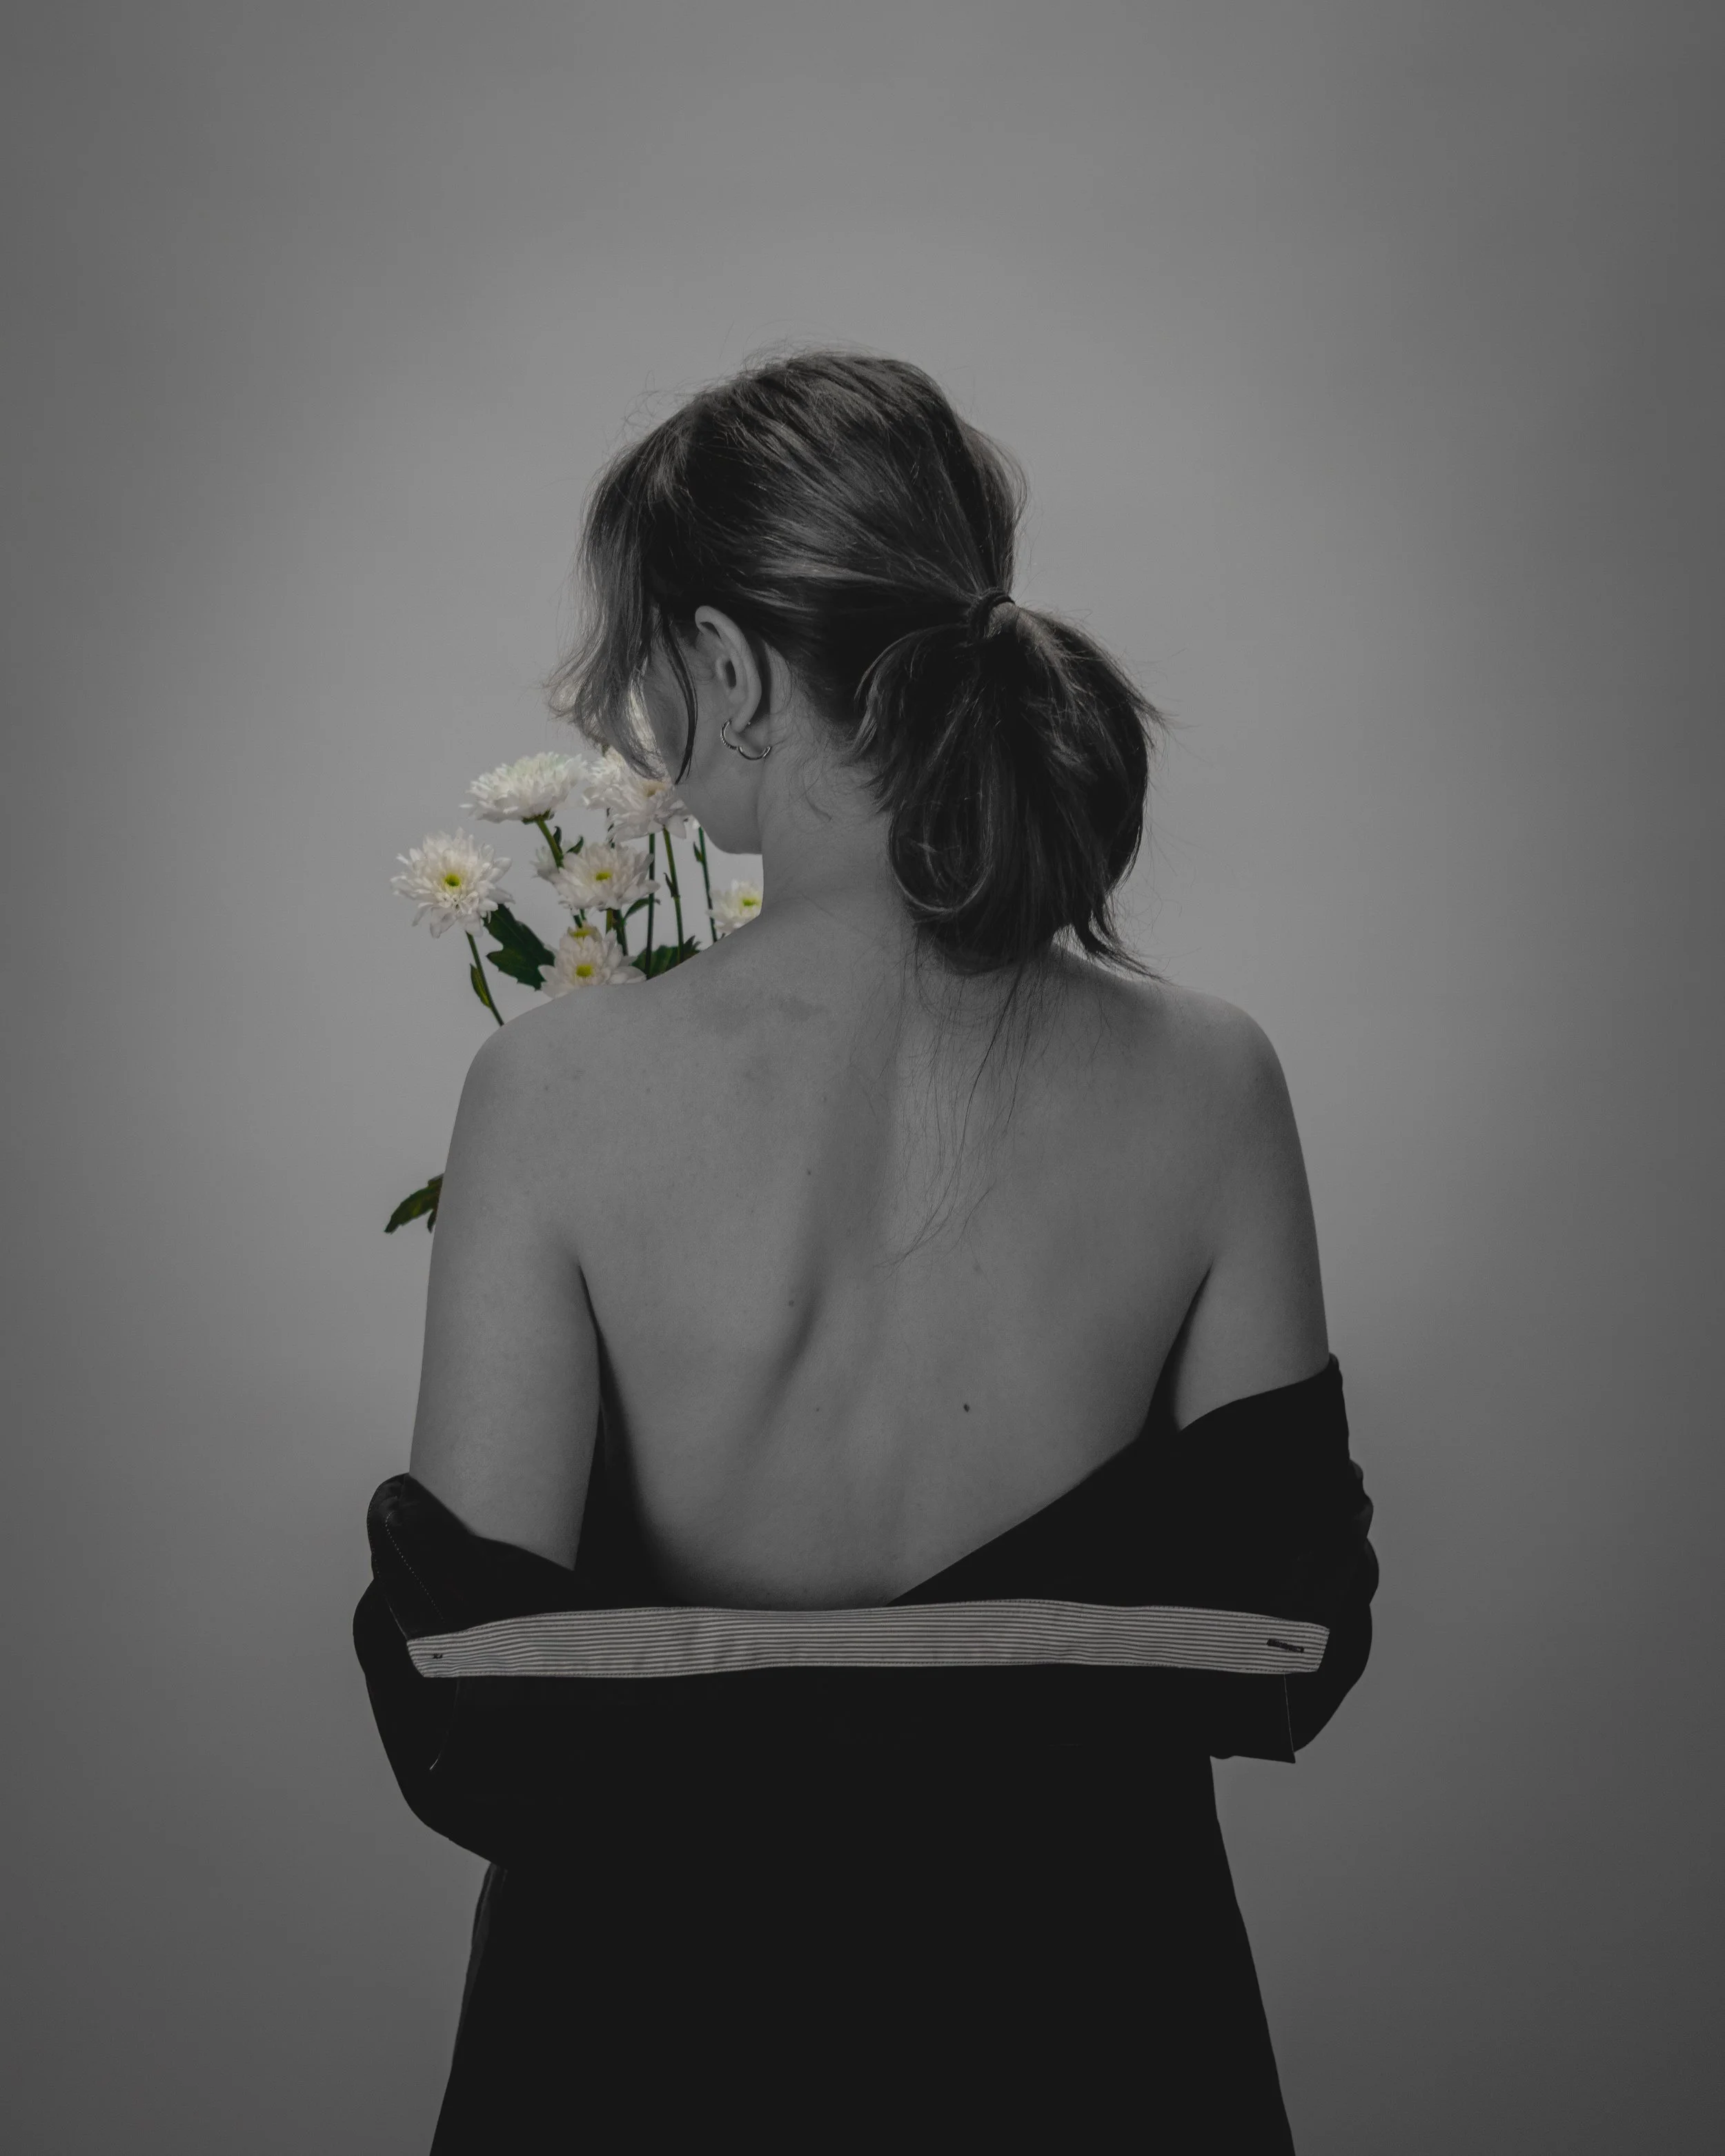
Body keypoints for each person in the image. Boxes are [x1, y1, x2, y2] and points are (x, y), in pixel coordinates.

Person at [354, 348, 1378, 2152]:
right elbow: (1290, 1628)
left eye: (647, 667)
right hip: (1105, 2039)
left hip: (636, 2049)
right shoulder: (1211, 1080)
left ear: (730, 667)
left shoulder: (553, 1094)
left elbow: (471, 1708)